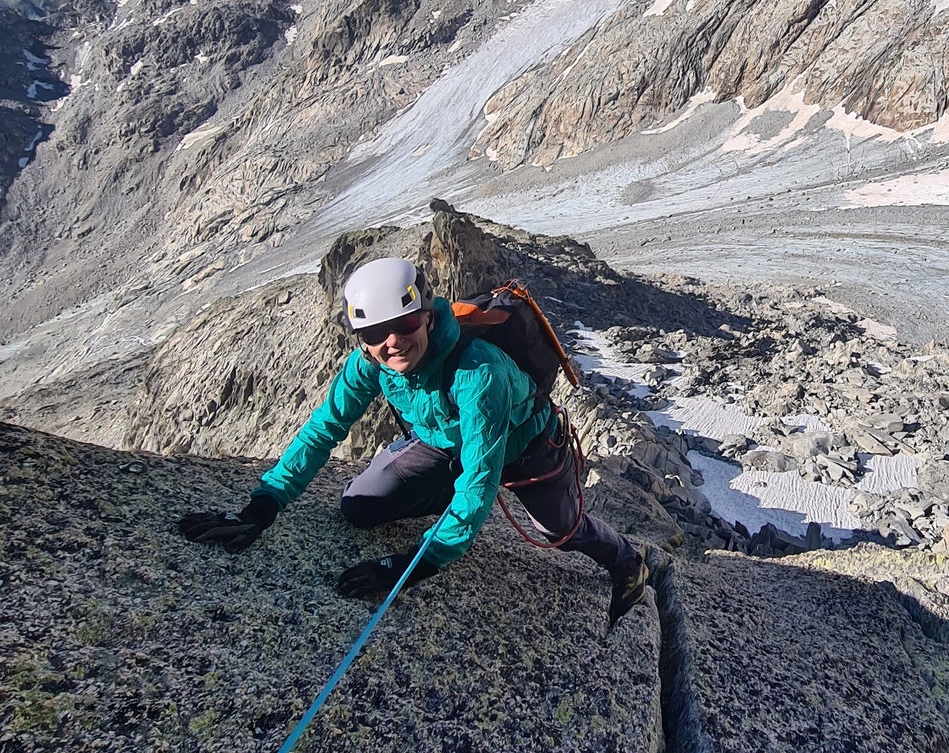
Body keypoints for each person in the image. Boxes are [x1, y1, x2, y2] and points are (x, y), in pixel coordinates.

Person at [177, 256, 649, 626]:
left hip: (525, 449)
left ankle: (628, 560)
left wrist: (416, 563)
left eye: (404, 325)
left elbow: (481, 478)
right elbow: (323, 431)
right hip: (443, 443)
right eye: (375, 333)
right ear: (360, 339)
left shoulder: (477, 371)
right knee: (359, 507)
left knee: (560, 530)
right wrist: (264, 504)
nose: (393, 342)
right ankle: (443, 507)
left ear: (425, 316)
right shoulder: (368, 365)